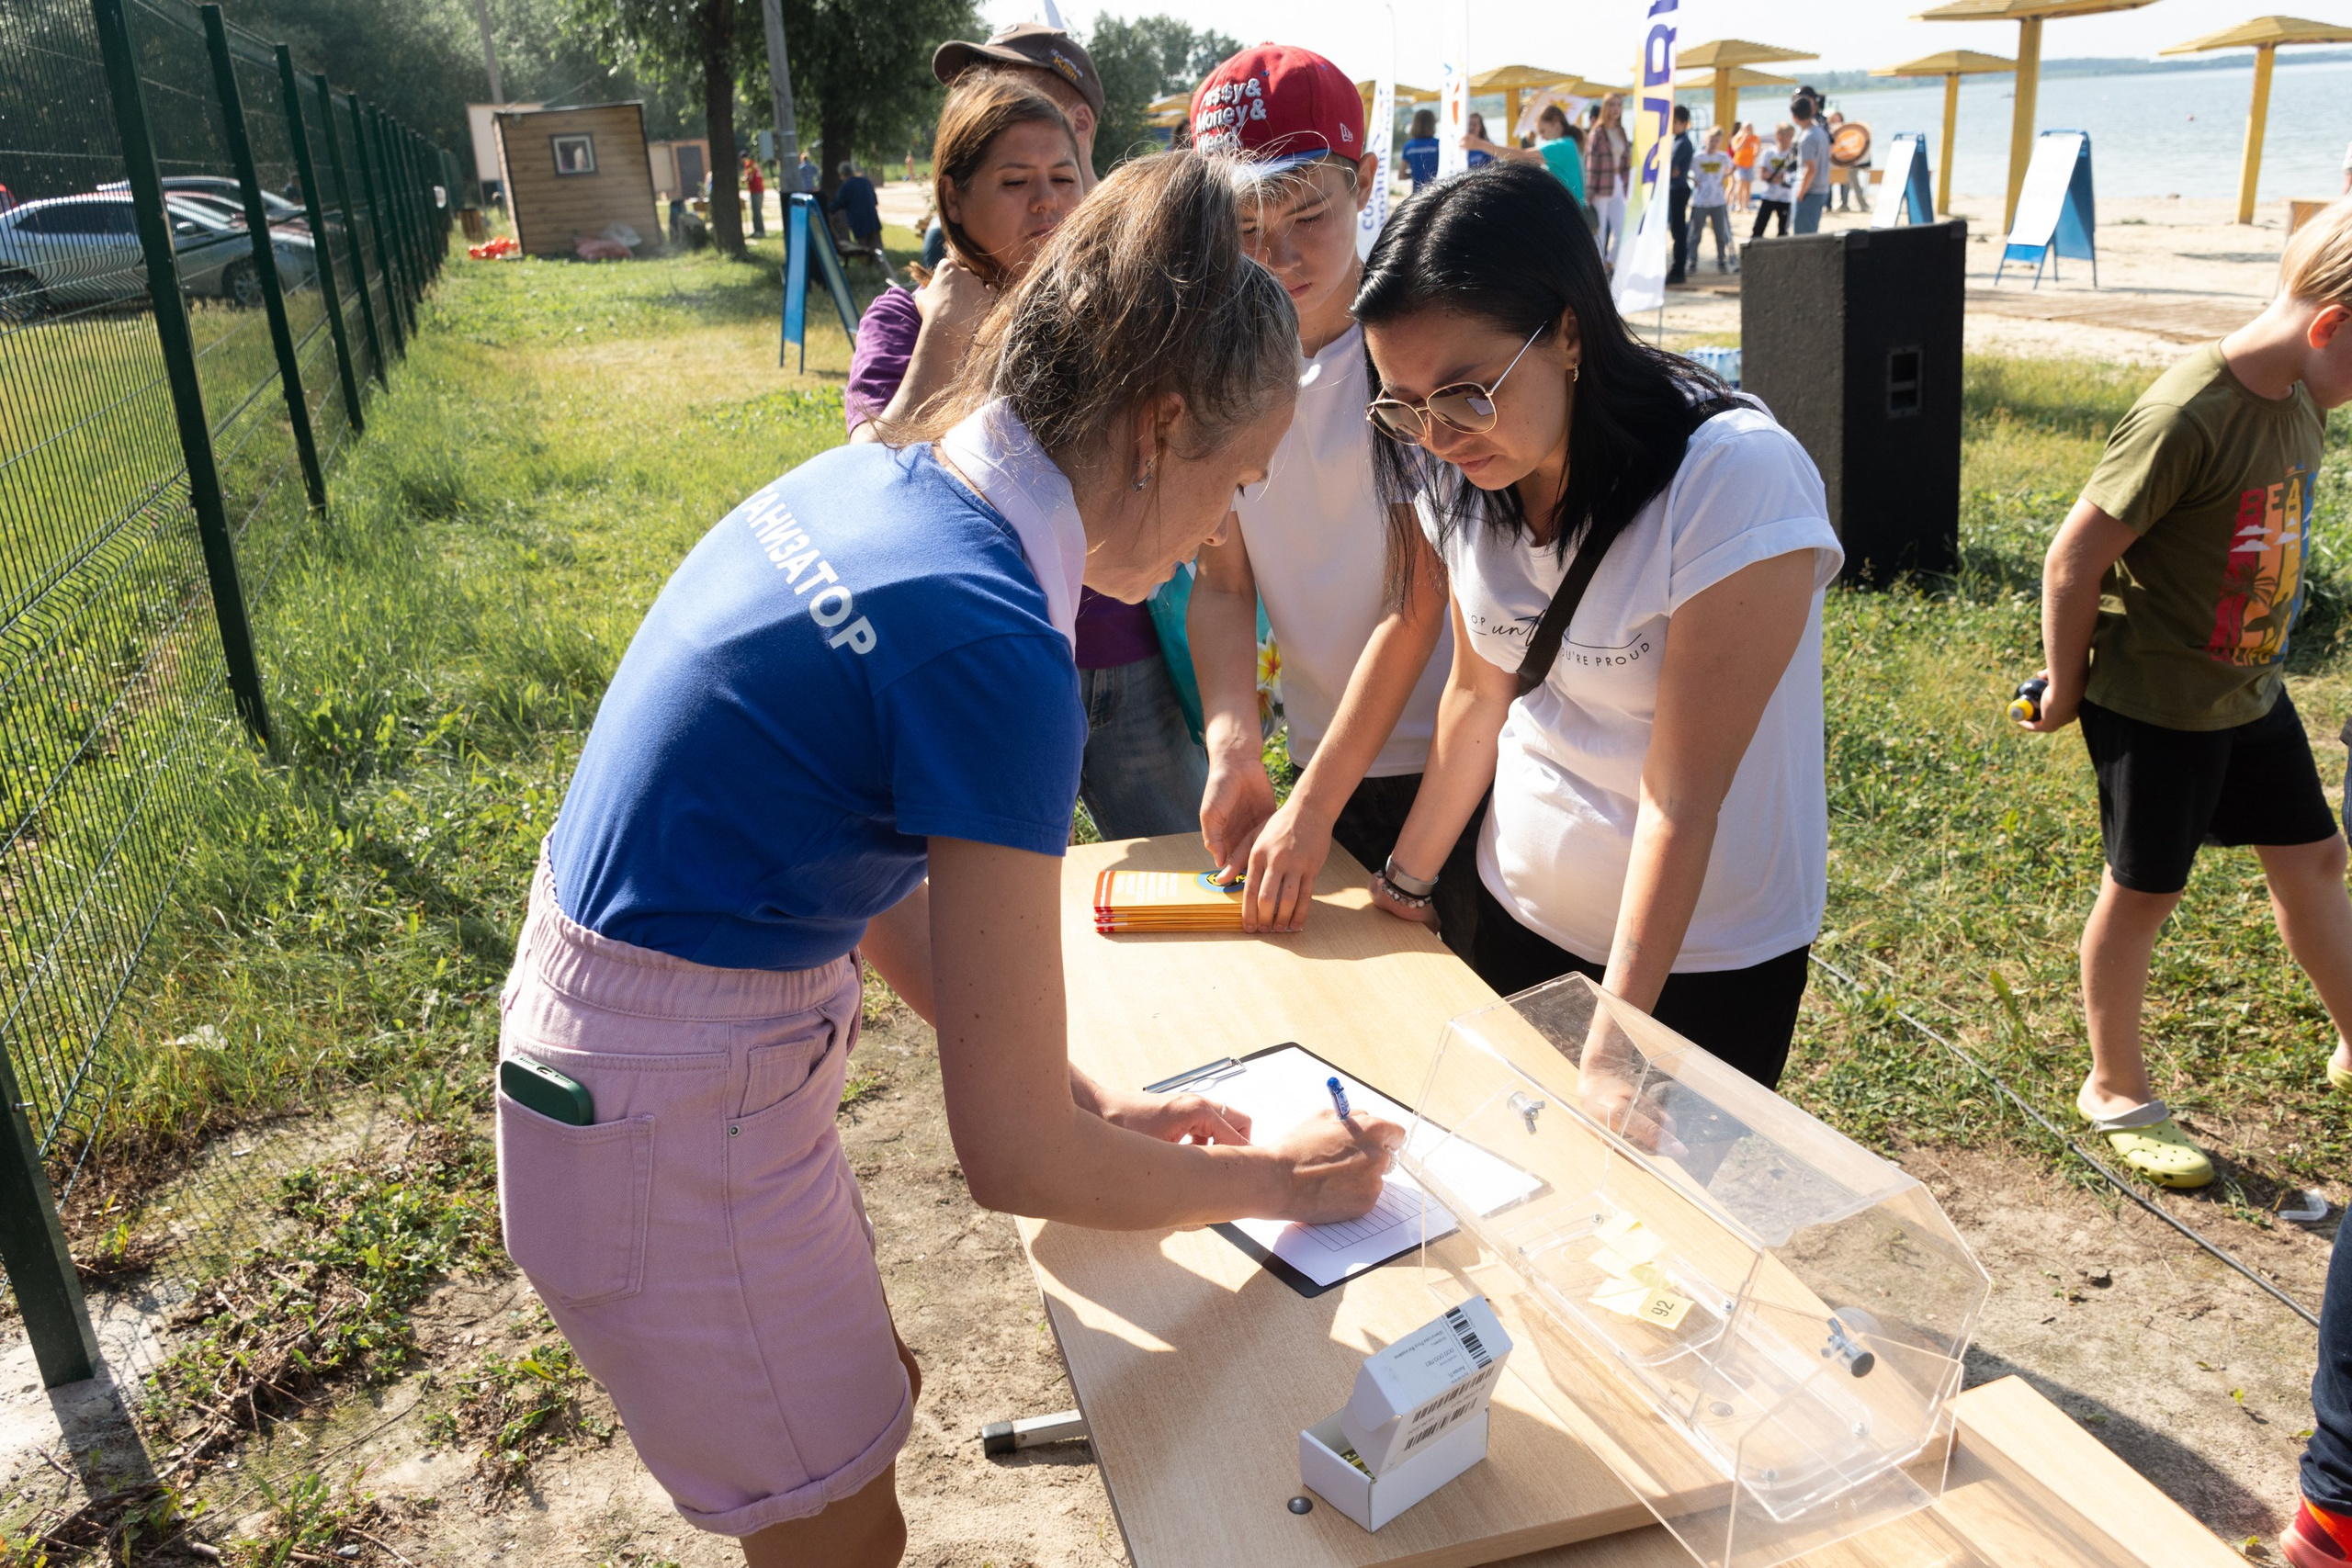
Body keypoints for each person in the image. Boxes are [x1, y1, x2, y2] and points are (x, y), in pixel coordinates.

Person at [500, 151, 1403, 1568]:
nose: (1222, 528)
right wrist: (1291, 1186)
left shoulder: (890, 488)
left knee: (873, 1408)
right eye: (1235, 478)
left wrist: (1085, 1094)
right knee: (843, 1524)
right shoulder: (996, 642)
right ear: (1161, 426)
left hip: (641, 1062)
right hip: (669, 1111)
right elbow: (1012, 1158)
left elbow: (873, 881)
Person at [1354, 161, 1843, 1089]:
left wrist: (1620, 1036)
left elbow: (1680, 796)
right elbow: (1477, 690)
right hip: (1515, 910)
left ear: (1569, 333)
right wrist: (1407, 884)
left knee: (1659, 1223)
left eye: (1466, 392)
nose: (1439, 437)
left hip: (1698, 960)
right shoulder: (1454, 465)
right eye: (1403, 405)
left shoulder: (1731, 479)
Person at [2016, 199, 2352, 1192]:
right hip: (2156, 701)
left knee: (2316, 856)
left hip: (2246, 689)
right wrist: (2070, 685)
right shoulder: (2186, 412)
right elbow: (2074, 557)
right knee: (2145, 889)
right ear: (2331, 325)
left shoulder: (2298, 397)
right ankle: (2112, 1085)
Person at [848, 76, 1204, 843]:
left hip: (1120, 657)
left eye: (1063, 177)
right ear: (954, 196)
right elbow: (860, 490)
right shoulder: (906, 320)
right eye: (1014, 182)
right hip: (977, 670)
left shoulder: (1119, 308)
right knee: (998, 910)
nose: (1046, 202)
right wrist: (945, 336)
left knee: (1182, 863)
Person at [1185, 44, 1474, 953]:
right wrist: (1233, 740)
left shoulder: (1408, 348)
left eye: (1308, 215)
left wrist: (1312, 808)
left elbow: (1416, 600)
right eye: (1242, 227)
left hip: (1451, 760)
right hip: (1318, 751)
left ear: (1366, 181)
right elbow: (1224, 581)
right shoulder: (1215, 365)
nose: (1276, 255)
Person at [933, 21, 1104, 194]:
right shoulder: (965, 212)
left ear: (1080, 123)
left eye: (1015, 105)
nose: (982, 125)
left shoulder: (1127, 219)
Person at [1464, 103, 1583, 204]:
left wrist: (1479, 144)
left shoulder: (1561, 145)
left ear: (1556, 123)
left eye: (1543, 131)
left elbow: (1523, 157)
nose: (1542, 137)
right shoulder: (1570, 142)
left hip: (1570, 208)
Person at [1585, 92, 1631, 265]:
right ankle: (1599, 271)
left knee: (1623, 231)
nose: (1615, 109)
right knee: (1600, 233)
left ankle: (1609, 263)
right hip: (1600, 186)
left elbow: (1627, 160)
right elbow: (1591, 163)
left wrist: (1628, 187)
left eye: (1618, 105)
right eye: (1611, 105)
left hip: (1618, 182)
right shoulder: (1597, 133)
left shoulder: (1621, 131)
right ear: (1605, 108)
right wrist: (1589, 193)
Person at [1688, 126, 1736, 275]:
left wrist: (1726, 177)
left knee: (1720, 233)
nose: (1713, 143)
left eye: (1716, 140)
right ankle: (1692, 261)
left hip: (1718, 201)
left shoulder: (1722, 157)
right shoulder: (1697, 157)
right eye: (1711, 139)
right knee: (1696, 233)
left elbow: (1734, 167)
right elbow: (1685, 170)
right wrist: (1693, 179)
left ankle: (1721, 260)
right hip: (1700, 201)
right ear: (1705, 139)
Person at [1791, 96, 1832, 235]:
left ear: (1795, 117)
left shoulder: (1807, 138)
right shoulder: (1821, 132)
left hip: (1810, 191)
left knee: (1803, 237)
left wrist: (1801, 193)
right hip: (1820, 188)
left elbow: (1810, 169)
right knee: (1810, 232)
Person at [830, 161, 885, 264]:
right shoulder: (865, 181)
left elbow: (838, 204)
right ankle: (883, 268)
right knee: (878, 247)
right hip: (873, 219)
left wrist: (827, 209)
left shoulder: (846, 187)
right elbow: (875, 200)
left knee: (863, 249)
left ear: (842, 174)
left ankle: (868, 270)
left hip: (859, 223)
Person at [1750, 122, 1796, 240]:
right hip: (1769, 195)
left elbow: (1793, 176)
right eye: (1789, 136)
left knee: (1783, 229)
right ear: (1780, 136)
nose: (1791, 139)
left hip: (1786, 197)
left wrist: (1778, 178)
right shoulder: (1769, 153)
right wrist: (1777, 178)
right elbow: (1763, 173)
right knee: (1759, 226)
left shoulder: (1793, 155)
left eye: (1792, 136)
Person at [1665, 105, 1693, 287]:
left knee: (1678, 232)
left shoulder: (1683, 143)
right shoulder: (1677, 140)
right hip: (1675, 188)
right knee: (1676, 231)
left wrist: (1669, 167)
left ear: (1683, 123)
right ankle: (1677, 268)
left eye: (1675, 122)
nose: (1672, 125)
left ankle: (1678, 270)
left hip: (1678, 190)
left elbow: (1670, 164)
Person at [1401, 107, 1441, 191]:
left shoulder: (1408, 146)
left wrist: (1415, 174)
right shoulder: (1438, 144)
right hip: (1437, 193)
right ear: (1432, 124)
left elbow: (1401, 176)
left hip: (1417, 196)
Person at [1731, 120, 1758, 213]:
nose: (1748, 130)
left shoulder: (1755, 138)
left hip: (1749, 164)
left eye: (1749, 128)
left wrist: (1756, 152)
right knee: (1740, 183)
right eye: (1746, 128)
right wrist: (1744, 138)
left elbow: (1757, 149)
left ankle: (1746, 205)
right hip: (1739, 164)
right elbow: (1736, 149)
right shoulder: (1737, 138)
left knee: (1748, 186)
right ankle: (1738, 205)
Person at [742, 154, 766, 240]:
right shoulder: (755, 164)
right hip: (760, 190)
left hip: (756, 191)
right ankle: (757, 230)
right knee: (757, 211)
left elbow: (750, 177)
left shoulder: (749, 165)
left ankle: (760, 231)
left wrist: (743, 180)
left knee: (756, 212)